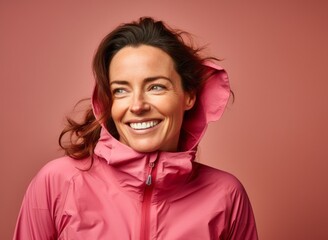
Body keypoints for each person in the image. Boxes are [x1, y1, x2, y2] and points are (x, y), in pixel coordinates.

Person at [13, 17, 258, 239]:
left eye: (156, 87)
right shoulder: (58, 182)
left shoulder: (226, 196)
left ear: (189, 96)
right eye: (121, 90)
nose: (137, 105)